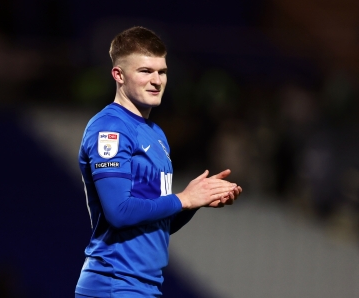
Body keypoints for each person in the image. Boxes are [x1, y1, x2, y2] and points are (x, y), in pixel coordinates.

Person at [75, 26, 242, 298]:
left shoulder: (156, 133)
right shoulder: (110, 129)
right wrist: (183, 199)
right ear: (118, 74)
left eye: (162, 71)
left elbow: (156, 222)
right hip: (114, 283)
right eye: (145, 71)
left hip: (143, 286)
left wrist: (196, 202)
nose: (157, 80)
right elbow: (119, 212)